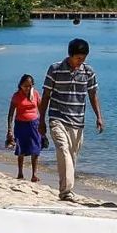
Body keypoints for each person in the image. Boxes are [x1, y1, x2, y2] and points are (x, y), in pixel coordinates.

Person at [39, 37, 104, 203]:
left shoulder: (88, 72)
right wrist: (41, 120)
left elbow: (92, 95)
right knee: (63, 150)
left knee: (72, 156)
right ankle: (67, 191)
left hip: (77, 121)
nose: (80, 61)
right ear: (70, 55)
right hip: (57, 117)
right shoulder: (55, 69)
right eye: (78, 58)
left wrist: (99, 116)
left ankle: (64, 191)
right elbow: (46, 95)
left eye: (83, 58)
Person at [5, 74, 44, 182]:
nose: (27, 88)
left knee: (35, 150)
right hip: (20, 125)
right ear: (20, 85)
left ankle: (34, 175)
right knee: (21, 150)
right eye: (25, 86)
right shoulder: (16, 96)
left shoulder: (35, 94)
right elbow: (11, 114)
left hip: (34, 125)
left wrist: (43, 124)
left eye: (30, 86)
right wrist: (9, 129)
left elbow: (41, 109)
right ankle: (20, 173)